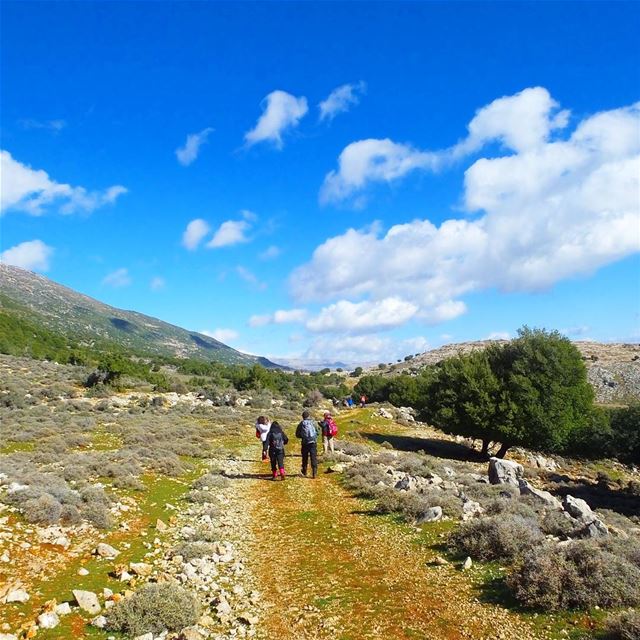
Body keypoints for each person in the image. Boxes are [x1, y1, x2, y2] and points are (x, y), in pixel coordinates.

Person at [295, 410, 318, 478]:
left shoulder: (301, 424)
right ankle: (314, 472)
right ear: (309, 416)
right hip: (313, 442)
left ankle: (304, 471)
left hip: (305, 443)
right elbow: (317, 431)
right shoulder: (313, 422)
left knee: (304, 457)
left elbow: (297, 434)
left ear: (302, 417)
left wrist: (303, 436)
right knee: (313, 457)